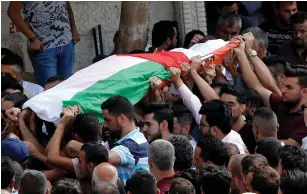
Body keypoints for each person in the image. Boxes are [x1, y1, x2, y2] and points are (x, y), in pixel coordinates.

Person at [235, 34, 307, 147]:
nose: (282, 90)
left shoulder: (305, 118)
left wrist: (262, 138)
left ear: (304, 91)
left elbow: (292, 144)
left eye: (289, 87)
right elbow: (256, 85)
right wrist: (243, 53)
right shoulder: (282, 103)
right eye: (283, 85)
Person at [8, 1, 80, 87]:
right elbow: (12, 12)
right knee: (48, 91)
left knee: (66, 87)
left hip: (67, 43)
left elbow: (67, 5)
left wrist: (74, 28)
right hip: (44, 48)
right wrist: (33, 38)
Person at [101, 96, 149, 183]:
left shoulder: (134, 145)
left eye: (107, 120)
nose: (105, 125)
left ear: (121, 119)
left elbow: (101, 156)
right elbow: (96, 149)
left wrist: (72, 144)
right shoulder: (127, 140)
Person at [220, 85, 256, 153]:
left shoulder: (253, 133)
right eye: (222, 104)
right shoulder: (217, 131)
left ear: (242, 108)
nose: (225, 108)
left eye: (230, 105)